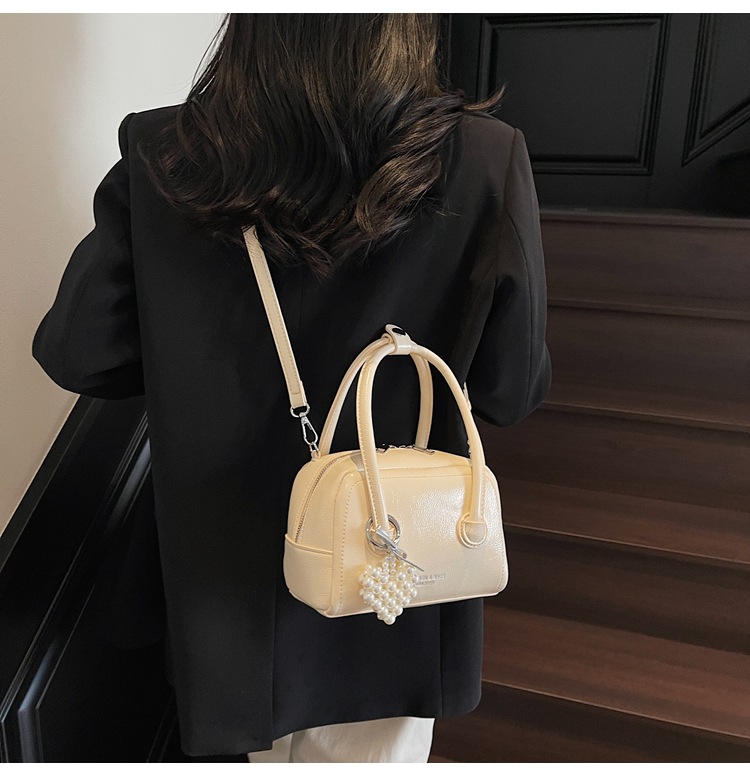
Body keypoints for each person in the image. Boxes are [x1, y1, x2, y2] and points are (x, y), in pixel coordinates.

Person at [31, 13, 552, 763]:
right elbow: (511, 390)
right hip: (392, 587)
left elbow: (78, 353)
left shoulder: (164, 152)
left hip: (225, 601)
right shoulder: (484, 157)